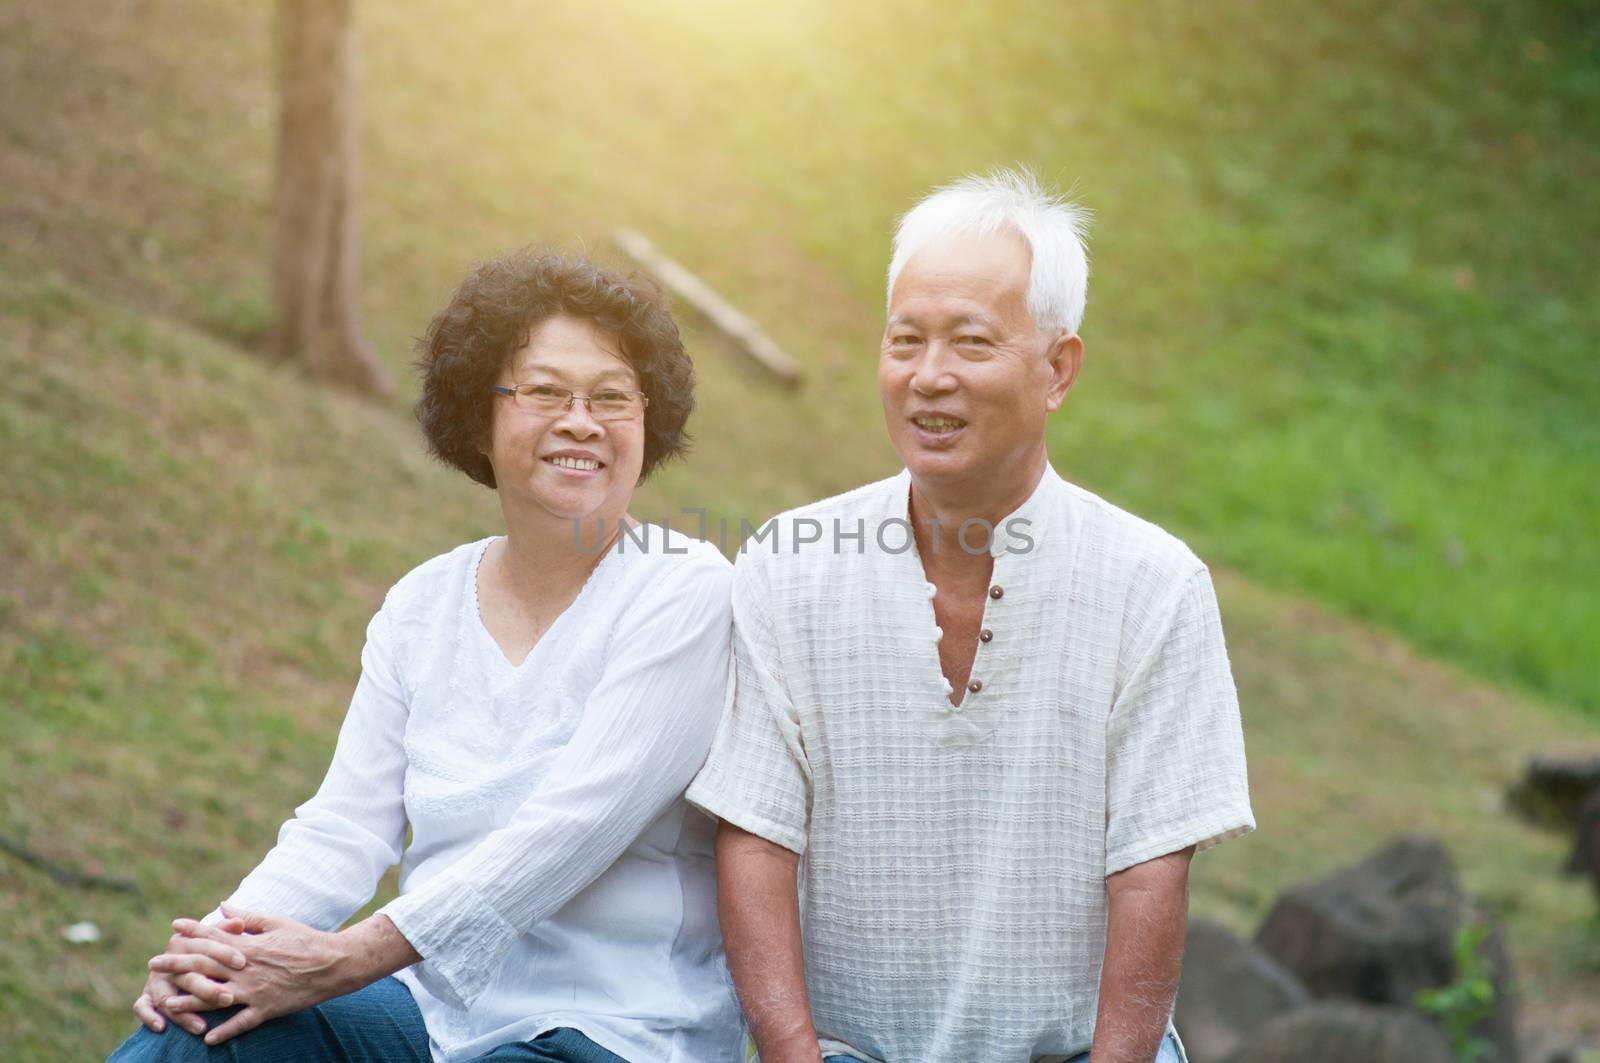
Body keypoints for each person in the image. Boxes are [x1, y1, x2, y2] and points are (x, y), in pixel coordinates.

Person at [109, 249, 743, 1063]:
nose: (582, 421)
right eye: (545, 391)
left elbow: (565, 834)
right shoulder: (422, 604)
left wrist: (342, 959)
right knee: (199, 1034)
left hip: (612, 1028)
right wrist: (215, 952)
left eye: (612, 397)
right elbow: (344, 826)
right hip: (432, 1013)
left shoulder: (685, 593)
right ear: (479, 418)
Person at [686, 168, 1255, 1063]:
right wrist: (794, 1055)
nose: (929, 377)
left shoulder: (1153, 583)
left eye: (972, 342)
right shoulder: (787, 564)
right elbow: (756, 831)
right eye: (904, 339)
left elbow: (1152, 866)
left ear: (1058, 368)